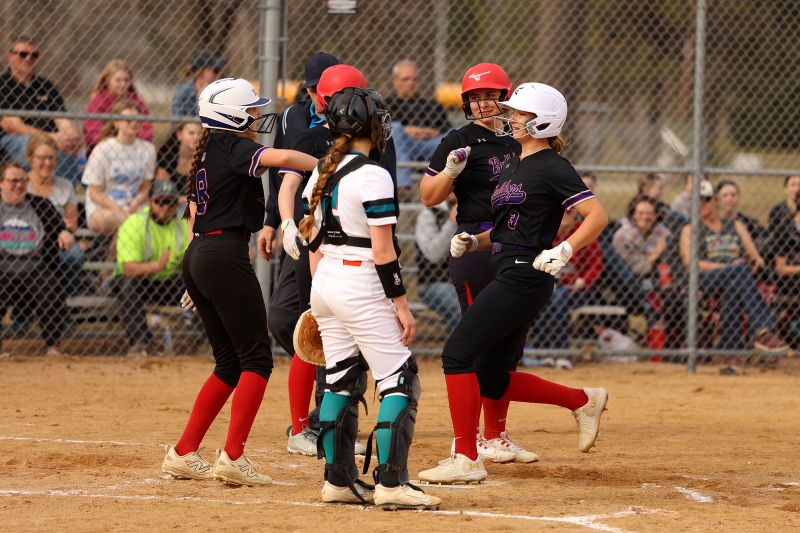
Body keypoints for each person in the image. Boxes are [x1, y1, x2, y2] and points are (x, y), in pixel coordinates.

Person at [418, 83, 609, 484]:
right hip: (505, 264)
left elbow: (597, 215)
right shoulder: (513, 163)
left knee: (457, 354)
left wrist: (564, 250)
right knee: (492, 376)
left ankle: (466, 457)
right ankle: (582, 400)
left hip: (526, 272)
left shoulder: (553, 165)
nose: (512, 118)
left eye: (521, 114)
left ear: (543, 121)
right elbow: (506, 230)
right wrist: (475, 242)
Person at [161, 77, 317, 486]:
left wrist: (197, 271)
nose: (255, 116)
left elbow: (192, 213)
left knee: (229, 363)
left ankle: (184, 451)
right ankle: (232, 456)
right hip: (222, 256)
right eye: (249, 111)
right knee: (256, 360)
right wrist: (328, 165)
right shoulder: (232, 146)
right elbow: (283, 156)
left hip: (201, 253)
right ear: (229, 116)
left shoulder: (208, 150)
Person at [299, 86, 440, 509]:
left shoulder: (323, 168)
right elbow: (383, 252)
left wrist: (320, 296)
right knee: (400, 378)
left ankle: (337, 480)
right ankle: (392, 483)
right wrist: (401, 305)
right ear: (373, 126)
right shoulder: (374, 174)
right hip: (360, 281)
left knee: (340, 379)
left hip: (326, 280)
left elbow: (313, 242)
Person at [261, 61, 395, 456]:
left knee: (334, 337)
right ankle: (319, 425)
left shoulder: (377, 144)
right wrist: (285, 222)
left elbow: (382, 209)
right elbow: (289, 185)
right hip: (318, 247)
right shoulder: (313, 138)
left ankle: (327, 424)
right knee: (307, 327)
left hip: (356, 252)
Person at [419, 63, 535, 464]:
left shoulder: (521, 138)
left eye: (490, 96)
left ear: (506, 98)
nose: (483, 104)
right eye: (475, 97)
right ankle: (468, 439)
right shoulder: (459, 140)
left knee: (510, 348)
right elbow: (428, 196)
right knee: (478, 344)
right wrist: (450, 172)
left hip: (516, 246)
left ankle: (496, 435)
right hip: (475, 247)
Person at [678, 180, 787, 354]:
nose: (700, 205)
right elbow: (691, 263)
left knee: (734, 286)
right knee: (739, 271)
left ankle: (730, 350)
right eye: (696, 201)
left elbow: (757, 258)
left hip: (737, 279)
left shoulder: (736, 226)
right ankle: (763, 330)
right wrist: (728, 266)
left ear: (715, 201)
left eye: (705, 200)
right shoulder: (690, 229)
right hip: (705, 280)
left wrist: (754, 262)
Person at [0, 161, 71, 357]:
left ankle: (52, 346)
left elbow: (61, 229)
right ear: (1, 183)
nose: (19, 186)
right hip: (2, 267)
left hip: (35, 267)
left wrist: (65, 234)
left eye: (23, 181)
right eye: (13, 181)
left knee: (51, 290)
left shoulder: (41, 205)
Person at [113, 180, 188, 356]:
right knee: (128, 284)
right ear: (150, 202)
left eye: (171, 202)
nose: (165, 207)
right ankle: (142, 344)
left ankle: (210, 342)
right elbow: (128, 269)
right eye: (160, 201)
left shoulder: (185, 224)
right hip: (140, 282)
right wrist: (157, 266)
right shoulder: (135, 223)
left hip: (169, 282)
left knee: (202, 282)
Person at [0, 36, 83, 184]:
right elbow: (13, 126)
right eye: (23, 54)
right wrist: (51, 138)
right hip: (15, 141)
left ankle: (63, 192)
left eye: (34, 55)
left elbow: (62, 117)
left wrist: (71, 135)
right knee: (44, 148)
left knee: (68, 145)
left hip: (52, 138)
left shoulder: (46, 85)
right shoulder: (3, 85)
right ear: (10, 56)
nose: (28, 59)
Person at [82, 99, 156, 236]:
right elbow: (94, 192)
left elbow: (146, 186)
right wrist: (118, 209)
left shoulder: (148, 149)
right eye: (128, 120)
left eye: (138, 120)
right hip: (104, 209)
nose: (134, 123)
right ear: (116, 122)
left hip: (134, 206)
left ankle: (115, 250)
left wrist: (135, 203)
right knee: (135, 222)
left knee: (144, 219)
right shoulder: (103, 149)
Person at [533, 209, 604, 349]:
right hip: (549, 284)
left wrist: (584, 280)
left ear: (574, 214)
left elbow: (597, 265)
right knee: (545, 298)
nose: (564, 216)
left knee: (559, 297)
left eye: (568, 212)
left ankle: (560, 348)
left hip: (576, 289)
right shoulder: (546, 232)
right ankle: (544, 347)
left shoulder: (583, 232)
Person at [25, 134, 83, 296]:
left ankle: (64, 298)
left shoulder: (66, 186)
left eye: (52, 158)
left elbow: (71, 224)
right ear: (31, 159)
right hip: (25, 239)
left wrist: (68, 232)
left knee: (74, 256)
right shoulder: (20, 184)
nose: (48, 163)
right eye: (42, 158)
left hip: (56, 240)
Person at [384, 59, 450, 190]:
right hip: (404, 147)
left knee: (459, 131)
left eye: (414, 79)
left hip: (432, 147)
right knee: (394, 128)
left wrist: (427, 132)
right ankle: (403, 187)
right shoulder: (386, 104)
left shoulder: (432, 105)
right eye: (406, 79)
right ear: (395, 81)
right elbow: (385, 131)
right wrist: (405, 131)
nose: (411, 83)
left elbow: (446, 129)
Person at [612, 196, 671, 327]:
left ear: (656, 215)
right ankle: (654, 327)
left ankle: (661, 330)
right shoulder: (622, 236)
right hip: (630, 285)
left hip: (657, 280)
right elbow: (630, 268)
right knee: (650, 286)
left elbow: (669, 262)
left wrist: (650, 262)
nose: (645, 217)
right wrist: (654, 256)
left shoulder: (664, 234)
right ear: (633, 215)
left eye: (650, 213)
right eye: (640, 213)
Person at [83, 59, 153, 153]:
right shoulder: (98, 100)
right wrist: (117, 143)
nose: (123, 84)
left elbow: (147, 127)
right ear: (107, 80)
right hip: (106, 150)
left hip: (133, 148)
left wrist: (133, 141)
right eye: (118, 80)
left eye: (126, 80)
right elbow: (92, 131)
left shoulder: (135, 99)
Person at [414, 193, 461, 329]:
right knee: (464, 311)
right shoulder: (430, 214)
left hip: (467, 279)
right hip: (435, 282)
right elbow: (433, 254)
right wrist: (452, 222)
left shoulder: (475, 212)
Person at [172, 50, 227, 118]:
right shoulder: (183, 93)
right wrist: (201, 100)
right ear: (200, 72)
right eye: (215, 71)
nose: (219, 74)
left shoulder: (220, 92)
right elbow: (177, 123)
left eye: (219, 70)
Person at [155, 121, 204, 193]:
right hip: (169, 197)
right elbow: (162, 190)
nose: (196, 137)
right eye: (191, 133)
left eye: (199, 133)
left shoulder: (204, 156)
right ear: (179, 135)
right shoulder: (168, 156)